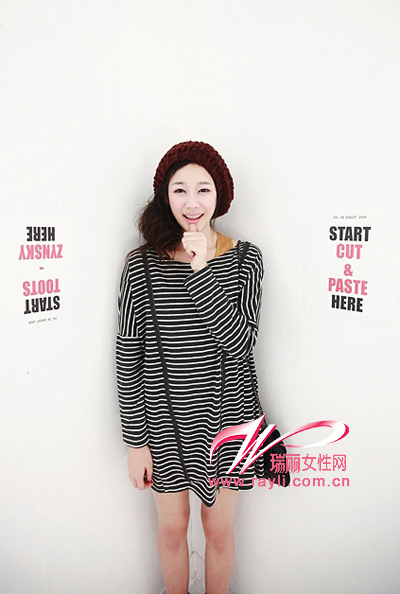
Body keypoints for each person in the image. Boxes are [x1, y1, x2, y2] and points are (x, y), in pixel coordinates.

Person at [116, 141, 265, 594]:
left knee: (218, 531)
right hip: (164, 421)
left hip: (228, 416)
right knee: (171, 529)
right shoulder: (141, 265)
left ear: (220, 194)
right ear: (166, 197)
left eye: (203, 189)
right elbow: (128, 355)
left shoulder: (246, 258)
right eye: (180, 190)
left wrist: (203, 270)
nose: (192, 202)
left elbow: (240, 345)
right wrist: (135, 443)